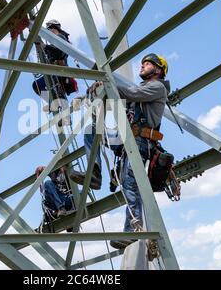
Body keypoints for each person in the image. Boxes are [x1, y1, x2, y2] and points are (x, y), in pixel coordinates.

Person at [70, 53, 171, 249]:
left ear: (158, 70)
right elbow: (123, 98)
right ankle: (95, 173)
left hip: (140, 141)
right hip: (126, 138)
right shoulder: (142, 87)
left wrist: (107, 85)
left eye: (147, 64)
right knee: (92, 131)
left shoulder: (157, 87)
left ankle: (133, 230)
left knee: (130, 185)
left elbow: (131, 95)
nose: (142, 66)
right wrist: (97, 91)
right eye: (142, 63)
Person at [32, 19, 78, 112]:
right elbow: (52, 53)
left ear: (55, 28)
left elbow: (59, 51)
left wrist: (45, 46)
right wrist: (42, 48)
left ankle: (65, 114)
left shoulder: (61, 37)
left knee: (58, 90)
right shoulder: (53, 42)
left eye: (50, 30)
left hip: (60, 70)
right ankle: (51, 102)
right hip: (53, 70)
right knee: (37, 85)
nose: (49, 32)